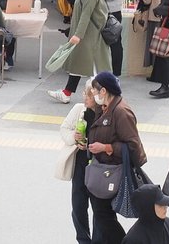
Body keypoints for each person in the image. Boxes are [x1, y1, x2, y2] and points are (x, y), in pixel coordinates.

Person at [86, 71, 147, 244]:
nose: (94, 95)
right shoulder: (105, 108)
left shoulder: (121, 112)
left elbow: (133, 145)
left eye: (95, 91)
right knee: (102, 214)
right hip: (104, 169)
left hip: (114, 171)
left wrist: (106, 147)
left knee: (103, 215)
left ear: (104, 91)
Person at [50, 0, 112, 103]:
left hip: (89, 36)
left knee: (92, 68)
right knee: (82, 66)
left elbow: (85, 15)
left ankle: (102, 97)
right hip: (89, 35)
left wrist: (78, 35)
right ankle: (68, 93)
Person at [60, 78, 99, 244]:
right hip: (80, 165)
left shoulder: (104, 114)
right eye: (85, 93)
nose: (85, 97)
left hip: (98, 167)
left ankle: (98, 240)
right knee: (78, 206)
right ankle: (83, 240)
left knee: (99, 209)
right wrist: (74, 138)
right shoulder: (78, 109)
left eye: (89, 95)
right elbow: (64, 128)